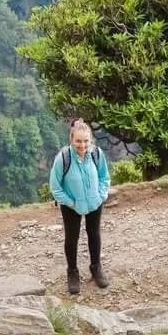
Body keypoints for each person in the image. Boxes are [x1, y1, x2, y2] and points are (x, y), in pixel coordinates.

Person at [48, 118, 111, 295]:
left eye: (85, 141)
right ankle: (72, 272)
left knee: (94, 234)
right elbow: (55, 186)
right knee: (71, 238)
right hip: (71, 205)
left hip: (94, 202)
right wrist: (71, 203)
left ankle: (96, 267)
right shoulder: (64, 158)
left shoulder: (96, 154)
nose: (82, 145)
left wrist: (101, 195)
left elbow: (104, 178)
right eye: (78, 141)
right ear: (71, 140)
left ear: (90, 140)